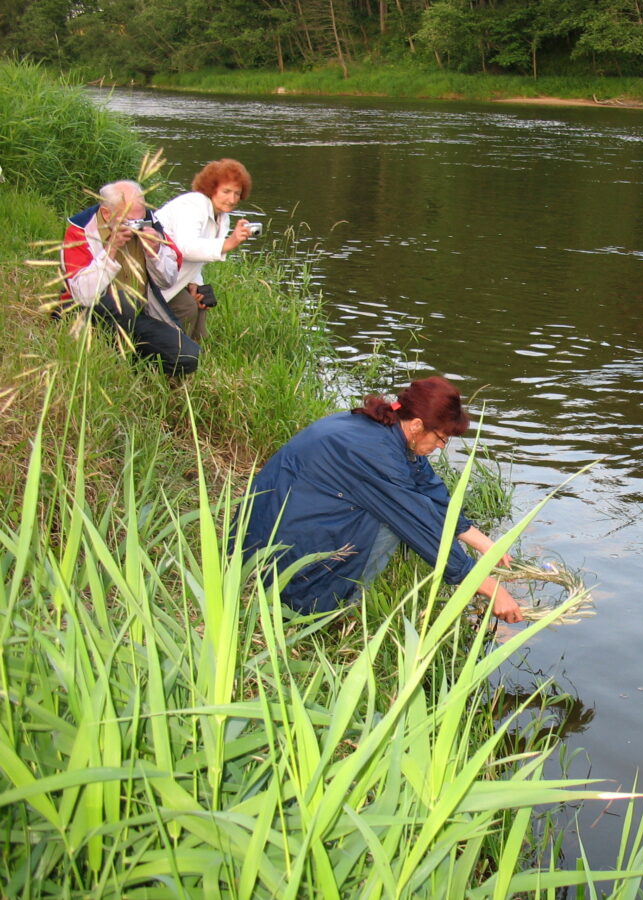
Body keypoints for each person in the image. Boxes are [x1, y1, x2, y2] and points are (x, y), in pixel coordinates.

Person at [241, 376, 524, 623]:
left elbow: (428, 489)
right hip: (275, 558)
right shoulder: (371, 452)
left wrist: (483, 542)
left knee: (404, 510)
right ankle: (328, 608)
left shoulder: (384, 430)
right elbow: (418, 524)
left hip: (280, 526)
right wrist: (489, 587)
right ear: (416, 425)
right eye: (441, 438)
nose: (441, 446)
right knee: (392, 523)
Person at [60, 179, 200, 376]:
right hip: (86, 312)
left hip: (137, 313)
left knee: (188, 356)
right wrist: (111, 249)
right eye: (128, 221)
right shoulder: (81, 229)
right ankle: (111, 361)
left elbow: (167, 280)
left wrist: (155, 252)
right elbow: (83, 295)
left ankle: (138, 368)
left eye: (139, 219)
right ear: (107, 213)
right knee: (123, 303)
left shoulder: (151, 224)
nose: (136, 226)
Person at [155, 159, 255, 341]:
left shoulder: (222, 218)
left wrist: (194, 283)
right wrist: (229, 243)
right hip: (153, 278)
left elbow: (196, 260)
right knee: (186, 307)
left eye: (237, 194)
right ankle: (166, 359)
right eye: (226, 191)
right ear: (211, 188)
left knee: (201, 307)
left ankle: (191, 359)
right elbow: (186, 247)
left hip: (176, 279)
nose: (232, 199)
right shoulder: (192, 205)